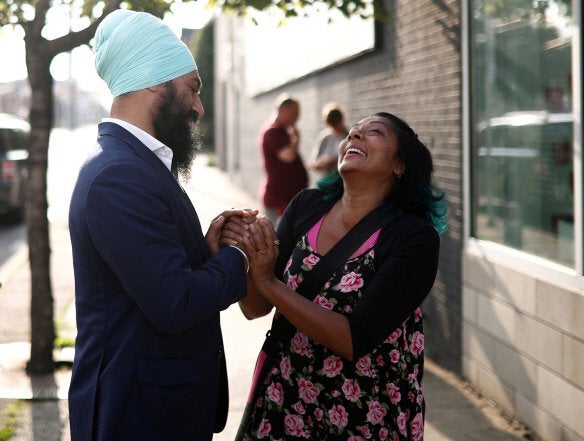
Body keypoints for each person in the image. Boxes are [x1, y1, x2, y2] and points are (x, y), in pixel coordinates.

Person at [67, 9, 252, 441]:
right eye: (192, 89)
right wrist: (239, 255)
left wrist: (205, 252)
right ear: (154, 80)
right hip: (138, 415)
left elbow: (158, 279)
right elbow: (175, 304)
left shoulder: (134, 164)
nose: (198, 107)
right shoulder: (120, 174)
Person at [226, 112, 447, 440]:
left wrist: (268, 281)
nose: (355, 135)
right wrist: (242, 249)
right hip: (283, 402)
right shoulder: (306, 206)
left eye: (374, 132)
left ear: (399, 164)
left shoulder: (413, 239)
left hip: (364, 416)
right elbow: (255, 308)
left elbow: (353, 339)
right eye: (353, 132)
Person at [259, 94, 309, 225]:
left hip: (287, 199)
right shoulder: (272, 131)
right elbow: (288, 156)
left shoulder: (283, 131)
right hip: (278, 201)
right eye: (295, 113)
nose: (298, 117)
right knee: (275, 240)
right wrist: (297, 138)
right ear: (284, 110)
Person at [309, 102, 348, 180]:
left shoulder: (349, 137)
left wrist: (336, 162)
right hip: (327, 180)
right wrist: (321, 164)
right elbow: (313, 162)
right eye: (332, 125)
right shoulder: (325, 137)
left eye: (336, 123)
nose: (335, 128)